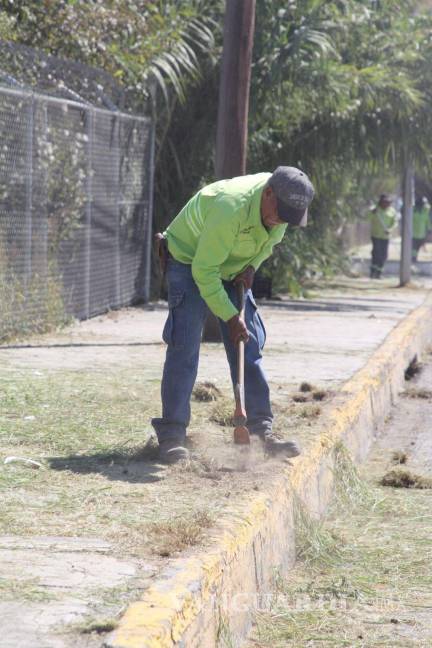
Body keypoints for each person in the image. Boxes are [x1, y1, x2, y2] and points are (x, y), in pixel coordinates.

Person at [152, 166, 315, 463]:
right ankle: (172, 435)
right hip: (190, 261)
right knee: (185, 347)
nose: (280, 222)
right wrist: (229, 316)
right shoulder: (231, 207)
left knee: (248, 347)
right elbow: (204, 270)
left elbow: (268, 243)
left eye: (288, 219)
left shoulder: (281, 210)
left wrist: (251, 266)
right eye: (279, 214)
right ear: (268, 194)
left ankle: (260, 432)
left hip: (232, 266)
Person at [368, 193, 397, 278]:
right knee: (376, 253)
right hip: (376, 235)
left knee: (384, 255)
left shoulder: (392, 211)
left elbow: (395, 222)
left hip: (385, 237)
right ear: (380, 202)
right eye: (385, 202)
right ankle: (373, 272)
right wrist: (372, 213)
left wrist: (390, 230)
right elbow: (367, 218)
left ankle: (379, 272)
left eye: (388, 202)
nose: (386, 204)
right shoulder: (375, 210)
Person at [412, 196, 431, 262]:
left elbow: (427, 221)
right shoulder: (412, 211)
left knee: (417, 247)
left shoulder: (425, 211)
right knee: (414, 247)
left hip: (421, 234)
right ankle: (413, 258)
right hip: (413, 234)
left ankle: (414, 257)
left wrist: (429, 230)